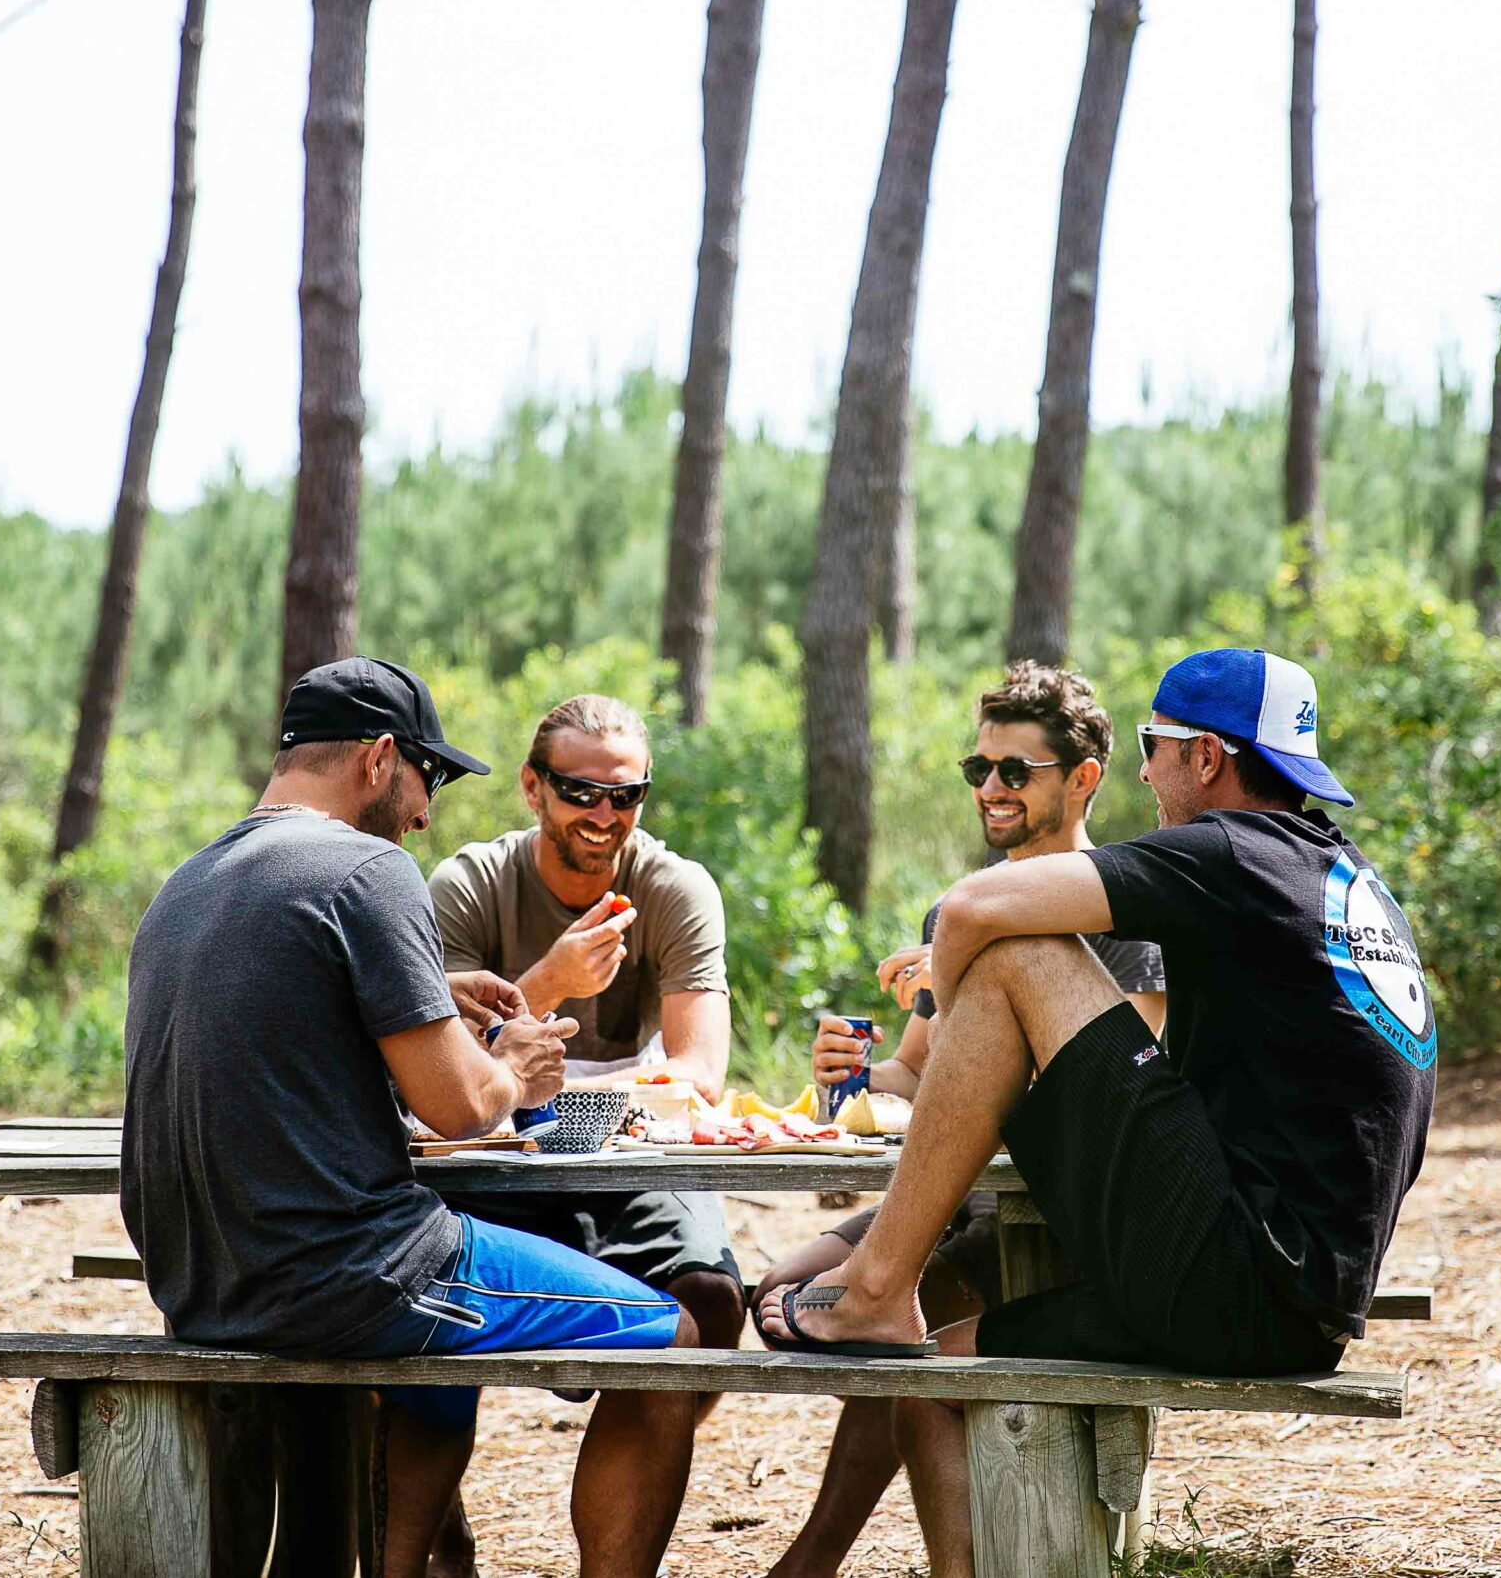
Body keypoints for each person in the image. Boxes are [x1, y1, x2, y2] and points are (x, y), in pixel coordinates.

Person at [756, 647, 1438, 1578]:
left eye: (1154, 748)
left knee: (1013, 953)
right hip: (1294, 1301)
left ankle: (878, 1284)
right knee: (935, 1373)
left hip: (1241, 1280)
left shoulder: (1237, 853)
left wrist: (958, 1011)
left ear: (1207, 757)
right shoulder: (1339, 878)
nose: (1146, 774)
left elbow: (965, 909)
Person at [122, 658, 705, 1578]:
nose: (426, 810)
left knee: (441, 1359)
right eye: (425, 778)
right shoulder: (369, 868)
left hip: (197, 1281)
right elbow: (464, 1106)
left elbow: (291, 1059)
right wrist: (512, 1068)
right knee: (675, 1339)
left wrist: (430, 996)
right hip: (351, 1275)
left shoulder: (185, 884)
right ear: (379, 756)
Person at [753, 662, 1164, 1578]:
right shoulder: (960, 908)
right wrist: (852, 1081)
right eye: (976, 769)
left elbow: (1127, 1095)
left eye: (1015, 771)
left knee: (924, 1326)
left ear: (1084, 777)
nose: (990, 789)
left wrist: (962, 998)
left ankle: (843, 1558)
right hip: (963, 1198)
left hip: (1075, 1213)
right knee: (778, 1298)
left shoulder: (1131, 907)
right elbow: (917, 1073)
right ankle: (822, 1552)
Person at [425, 695, 745, 1551]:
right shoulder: (468, 884)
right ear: (533, 787)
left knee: (711, 1300)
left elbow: (699, 1071)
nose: (606, 815)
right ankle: (434, 1532)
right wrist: (550, 981)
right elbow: (433, 1068)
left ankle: (621, 1518)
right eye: (580, 791)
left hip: (626, 1144)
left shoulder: (673, 887)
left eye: (627, 795)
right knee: (410, 1293)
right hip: (487, 1143)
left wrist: (607, 1105)